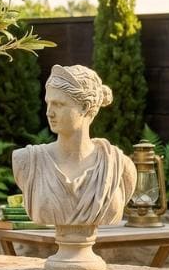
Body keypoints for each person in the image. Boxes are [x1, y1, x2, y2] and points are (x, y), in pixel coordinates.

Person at [12, 65, 136, 227]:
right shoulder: (26, 162)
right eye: (48, 103)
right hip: (47, 252)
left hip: (103, 252)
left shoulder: (119, 166)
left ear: (84, 107)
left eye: (58, 104)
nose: (49, 112)